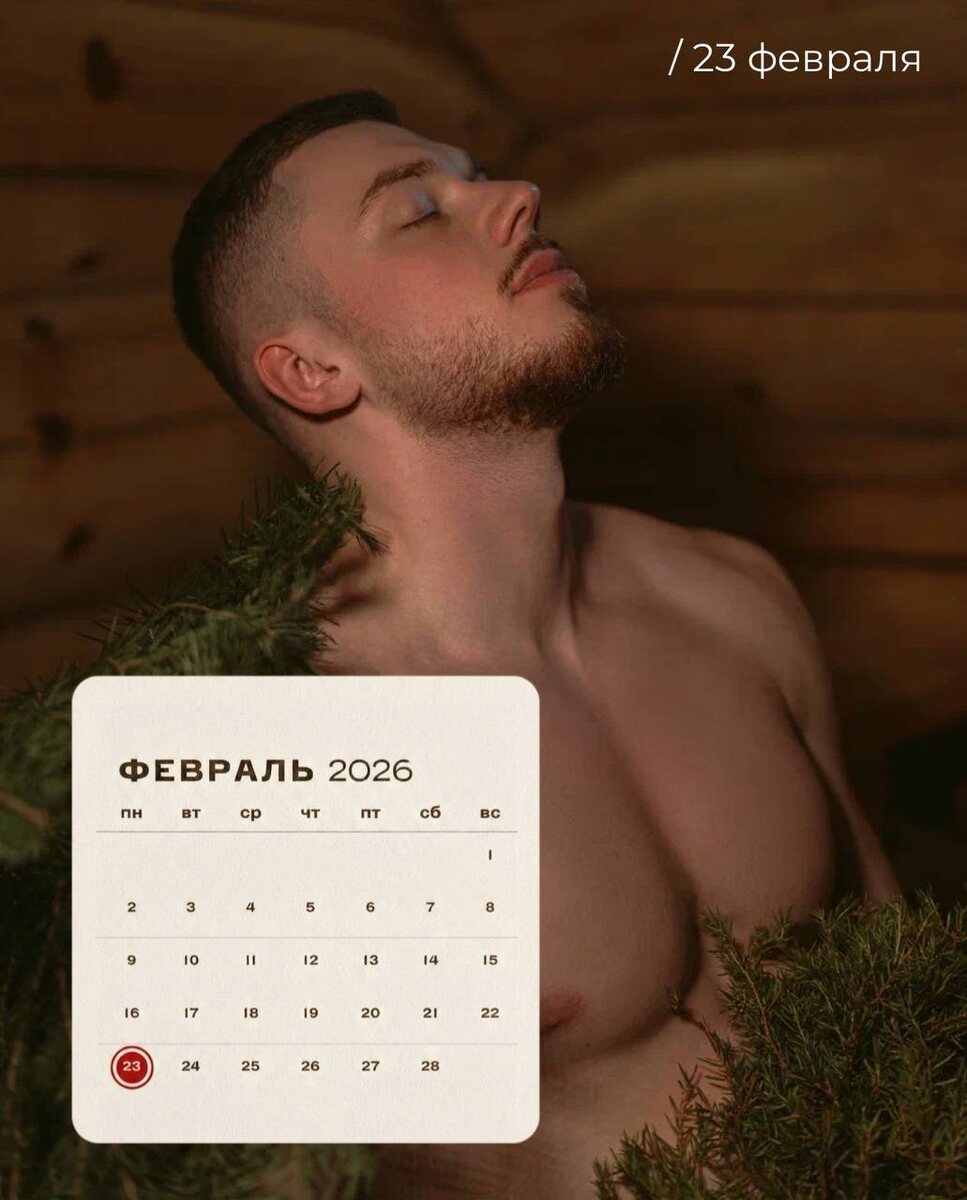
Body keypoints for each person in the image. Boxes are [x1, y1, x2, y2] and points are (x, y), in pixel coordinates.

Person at [171, 90, 901, 1200]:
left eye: (476, 175)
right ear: (312, 371)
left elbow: (902, 982)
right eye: (419, 208)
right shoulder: (277, 756)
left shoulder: (729, 595)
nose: (517, 195)